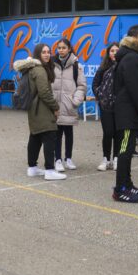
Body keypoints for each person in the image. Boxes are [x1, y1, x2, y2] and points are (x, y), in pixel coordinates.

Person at [14, 43, 65, 181]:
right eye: (44, 52)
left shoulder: (32, 68)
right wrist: (55, 107)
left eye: (49, 52)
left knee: (35, 136)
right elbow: (44, 92)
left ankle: (32, 168)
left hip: (34, 108)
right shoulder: (40, 70)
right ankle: (49, 170)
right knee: (49, 135)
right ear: (38, 54)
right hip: (42, 108)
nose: (47, 54)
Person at [112, 25, 138, 203]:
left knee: (127, 150)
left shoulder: (131, 57)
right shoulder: (132, 58)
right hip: (127, 113)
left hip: (128, 112)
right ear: (133, 38)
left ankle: (128, 184)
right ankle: (120, 190)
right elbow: (135, 90)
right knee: (124, 151)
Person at [51, 38, 86, 172]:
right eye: (59, 48)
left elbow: (82, 85)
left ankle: (68, 158)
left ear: (69, 49)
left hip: (69, 104)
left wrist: (75, 100)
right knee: (57, 134)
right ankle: (58, 159)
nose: (61, 50)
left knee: (69, 133)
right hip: (55, 105)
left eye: (63, 48)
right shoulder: (51, 63)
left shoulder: (76, 65)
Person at [92, 42, 119, 172]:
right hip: (106, 106)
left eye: (116, 50)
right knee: (108, 133)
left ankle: (116, 159)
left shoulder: (124, 67)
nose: (114, 53)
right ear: (108, 53)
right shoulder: (103, 68)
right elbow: (95, 84)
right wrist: (101, 95)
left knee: (118, 134)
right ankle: (106, 159)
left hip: (120, 106)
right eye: (112, 51)